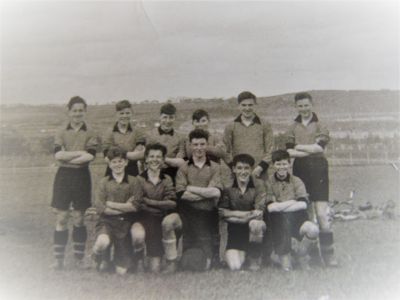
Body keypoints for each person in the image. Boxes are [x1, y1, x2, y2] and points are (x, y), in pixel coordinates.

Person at [285, 92, 338, 267]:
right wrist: (309, 149)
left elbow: (319, 149)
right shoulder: (292, 127)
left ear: (312, 105)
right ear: (296, 107)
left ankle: (329, 256)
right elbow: (289, 152)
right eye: (300, 106)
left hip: (319, 171)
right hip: (300, 171)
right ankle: (313, 255)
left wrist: (299, 147)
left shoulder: (321, 125)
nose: (304, 109)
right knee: (306, 214)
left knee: (322, 214)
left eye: (306, 105)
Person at [51, 96, 99, 270]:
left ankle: (79, 260)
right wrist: (79, 153)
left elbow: (90, 156)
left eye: (81, 110)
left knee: (79, 218)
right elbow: (58, 155)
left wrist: (68, 155)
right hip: (63, 176)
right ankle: (58, 260)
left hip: (81, 177)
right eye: (74, 110)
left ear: (85, 111)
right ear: (69, 111)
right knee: (62, 217)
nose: (78, 114)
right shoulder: (60, 131)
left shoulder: (91, 132)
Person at [131, 143, 182, 273]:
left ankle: (169, 260)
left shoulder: (167, 178)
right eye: (151, 156)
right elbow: (139, 204)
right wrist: (159, 205)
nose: (155, 160)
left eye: (158, 157)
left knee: (155, 269)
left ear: (163, 159)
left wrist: (150, 202)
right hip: (144, 219)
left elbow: (172, 203)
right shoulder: (139, 179)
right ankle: (139, 259)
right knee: (137, 235)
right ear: (146, 159)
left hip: (161, 219)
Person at [176, 129, 222, 271]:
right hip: (189, 213)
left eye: (202, 144)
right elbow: (181, 194)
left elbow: (215, 192)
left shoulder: (215, 167)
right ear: (190, 145)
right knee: (188, 258)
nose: (199, 148)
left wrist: (191, 188)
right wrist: (204, 193)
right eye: (195, 145)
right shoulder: (183, 168)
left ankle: (212, 260)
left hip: (209, 212)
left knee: (208, 252)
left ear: (207, 145)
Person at [266, 149, 319, 271]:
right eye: (278, 164)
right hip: (278, 221)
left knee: (313, 230)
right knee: (287, 268)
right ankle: (285, 257)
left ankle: (300, 253)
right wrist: (291, 202)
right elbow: (271, 207)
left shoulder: (297, 181)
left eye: (284, 164)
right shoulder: (269, 182)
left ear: (289, 164)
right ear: (273, 165)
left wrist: (281, 205)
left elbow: (303, 205)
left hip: (298, 218)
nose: (281, 167)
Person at [91, 147, 141, 275]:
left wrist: (111, 204)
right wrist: (124, 207)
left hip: (124, 224)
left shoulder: (134, 181)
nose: (117, 164)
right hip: (106, 222)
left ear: (126, 162)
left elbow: (135, 206)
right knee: (103, 242)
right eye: (114, 162)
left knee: (121, 272)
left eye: (120, 161)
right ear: (109, 164)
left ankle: (118, 260)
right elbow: (101, 208)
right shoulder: (104, 182)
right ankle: (98, 255)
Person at [218, 154, 267, 271]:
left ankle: (254, 258)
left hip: (252, 229)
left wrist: (233, 214)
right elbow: (222, 212)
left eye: (246, 168)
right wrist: (244, 216)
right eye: (239, 168)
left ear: (251, 169)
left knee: (256, 224)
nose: (243, 172)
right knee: (235, 267)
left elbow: (258, 213)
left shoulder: (259, 184)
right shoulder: (227, 186)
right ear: (234, 169)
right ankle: (243, 255)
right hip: (234, 229)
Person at [223, 91, 274, 179]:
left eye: (250, 105)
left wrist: (260, 167)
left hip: (260, 173)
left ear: (255, 105)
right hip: (238, 174)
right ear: (238, 106)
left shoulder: (265, 125)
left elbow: (270, 149)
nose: (247, 108)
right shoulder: (230, 126)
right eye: (244, 105)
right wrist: (235, 168)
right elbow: (225, 151)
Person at [102, 100, 146, 176]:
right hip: (113, 170)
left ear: (132, 113)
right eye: (121, 113)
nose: (124, 116)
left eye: (127, 113)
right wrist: (130, 155)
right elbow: (107, 157)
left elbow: (140, 154)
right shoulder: (109, 132)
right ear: (116, 114)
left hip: (132, 170)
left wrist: (117, 153)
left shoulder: (137, 131)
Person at [145, 103, 185, 183]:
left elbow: (179, 162)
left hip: (173, 173)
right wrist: (170, 160)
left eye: (171, 117)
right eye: (165, 117)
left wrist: (160, 158)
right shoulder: (150, 135)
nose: (168, 121)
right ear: (160, 117)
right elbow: (148, 159)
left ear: (175, 118)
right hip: (154, 172)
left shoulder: (180, 137)